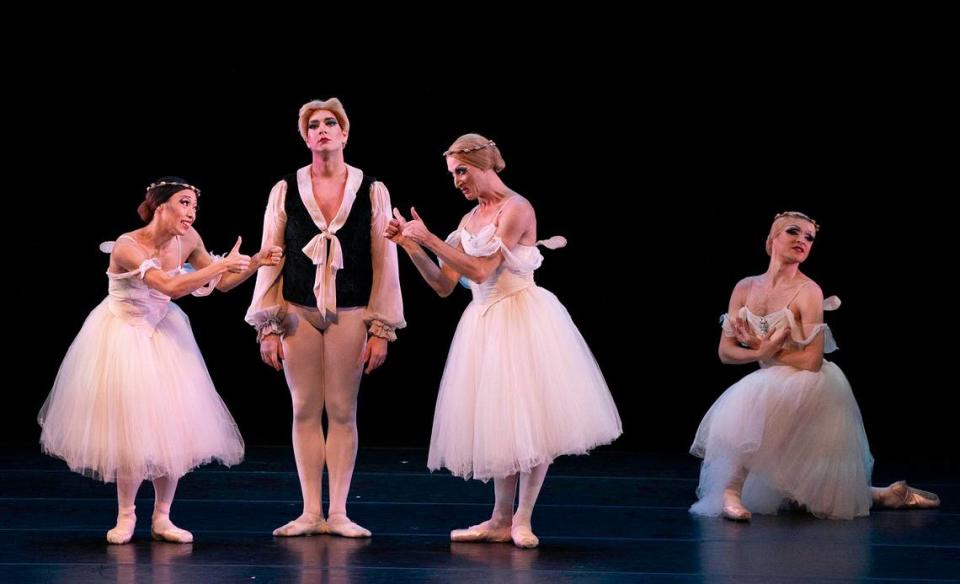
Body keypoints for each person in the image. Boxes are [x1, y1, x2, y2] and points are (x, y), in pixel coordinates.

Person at [385, 133, 621, 548]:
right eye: (452, 174)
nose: (456, 180)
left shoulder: (517, 208)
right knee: (500, 421)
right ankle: (498, 519)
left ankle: (522, 518)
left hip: (522, 316)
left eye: (462, 171)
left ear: (485, 165)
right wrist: (409, 245)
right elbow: (444, 285)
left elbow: (481, 270)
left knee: (534, 419)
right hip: (483, 322)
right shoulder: (468, 221)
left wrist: (428, 238)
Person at [38, 177, 282, 544]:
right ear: (160, 205)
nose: (191, 213)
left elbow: (222, 285)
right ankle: (126, 516)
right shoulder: (127, 245)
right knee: (131, 430)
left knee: (173, 428)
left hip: (163, 332)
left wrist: (257, 262)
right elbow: (168, 287)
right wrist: (220, 266)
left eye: (195, 207)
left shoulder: (190, 239)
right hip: (123, 334)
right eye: (184, 204)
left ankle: (163, 518)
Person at [690, 211, 940, 520]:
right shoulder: (745, 288)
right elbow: (726, 352)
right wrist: (763, 350)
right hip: (773, 379)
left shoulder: (809, 291)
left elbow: (811, 360)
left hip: (812, 384)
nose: (802, 240)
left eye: (809, 237)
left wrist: (764, 350)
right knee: (802, 498)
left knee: (754, 402)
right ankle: (887, 495)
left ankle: (731, 490)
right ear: (771, 240)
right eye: (793, 232)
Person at [246, 98, 405, 538]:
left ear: (345, 133)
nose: (322, 130)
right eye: (313, 125)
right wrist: (268, 324)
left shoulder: (371, 189)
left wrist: (382, 328)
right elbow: (270, 256)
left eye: (330, 123)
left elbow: (384, 259)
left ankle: (338, 512)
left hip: (351, 310)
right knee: (302, 408)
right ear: (305, 137)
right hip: (298, 309)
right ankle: (309, 511)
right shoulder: (285, 188)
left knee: (341, 409)